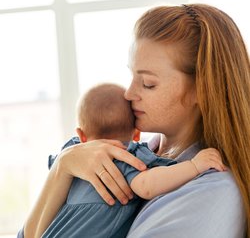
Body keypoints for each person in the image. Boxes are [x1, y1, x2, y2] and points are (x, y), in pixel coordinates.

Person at [21, 3, 249, 238]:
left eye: (148, 83)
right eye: (132, 76)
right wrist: (63, 166)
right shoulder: (129, 155)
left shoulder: (210, 191)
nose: (128, 94)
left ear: (202, 89)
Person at [20, 83, 226, 237]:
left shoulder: (72, 152)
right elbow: (147, 186)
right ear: (136, 134)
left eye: (148, 83)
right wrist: (193, 165)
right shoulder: (126, 158)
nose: (132, 90)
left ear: (81, 135)